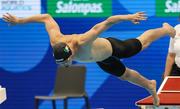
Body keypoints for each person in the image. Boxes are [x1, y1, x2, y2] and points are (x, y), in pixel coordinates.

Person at [2, 12, 176, 106]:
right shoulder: (56, 39)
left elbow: (107, 22)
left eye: (67, 61)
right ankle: (150, 86)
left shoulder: (83, 41)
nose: (66, 65)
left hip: (113, 48)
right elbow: (47, 17)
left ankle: (165, 29)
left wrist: (127, 17)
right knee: (125, 75)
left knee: (142, 43)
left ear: (70, 53)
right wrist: (20, 20)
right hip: (100, 59)